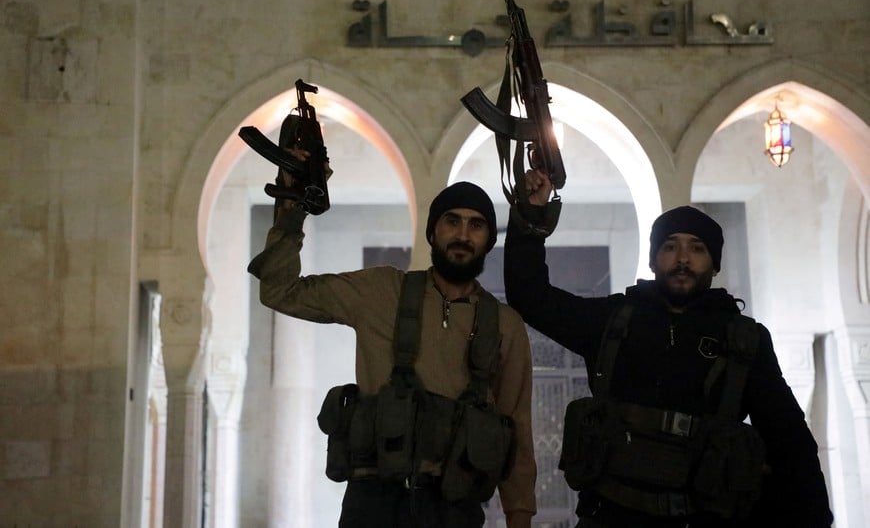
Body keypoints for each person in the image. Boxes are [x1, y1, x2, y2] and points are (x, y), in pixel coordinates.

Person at [503, 169, 833, 527]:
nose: (683, 259)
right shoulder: (613, 321)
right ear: (653, 258)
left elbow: (790, 443)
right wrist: (530, 217)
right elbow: (530, 296)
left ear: (714, 263)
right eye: (670, 246)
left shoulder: (743, 340)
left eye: (697, 248)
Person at [249, 177, 536, 528]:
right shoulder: (381, 291)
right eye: (452, 221)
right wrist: (294, 204)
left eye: (476, 225)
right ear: (432, 233)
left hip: (453, 508)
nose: (462, 235)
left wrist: (519, 516)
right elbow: (280, 290)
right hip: (373, 503)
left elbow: (517, 429)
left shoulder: (505, 326)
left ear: (489, 241)